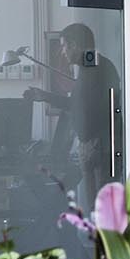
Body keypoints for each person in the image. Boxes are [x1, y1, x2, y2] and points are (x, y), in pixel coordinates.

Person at [26, 22, 121, 200]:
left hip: (100, 148)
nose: (63, 52)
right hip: (94, 147)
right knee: (95, 206)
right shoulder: (90, 68)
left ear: (74, 45)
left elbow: (101, 109)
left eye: (64, 46)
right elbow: (77, 104)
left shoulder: (95, 68)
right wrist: (45, 96)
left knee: (101, 207)